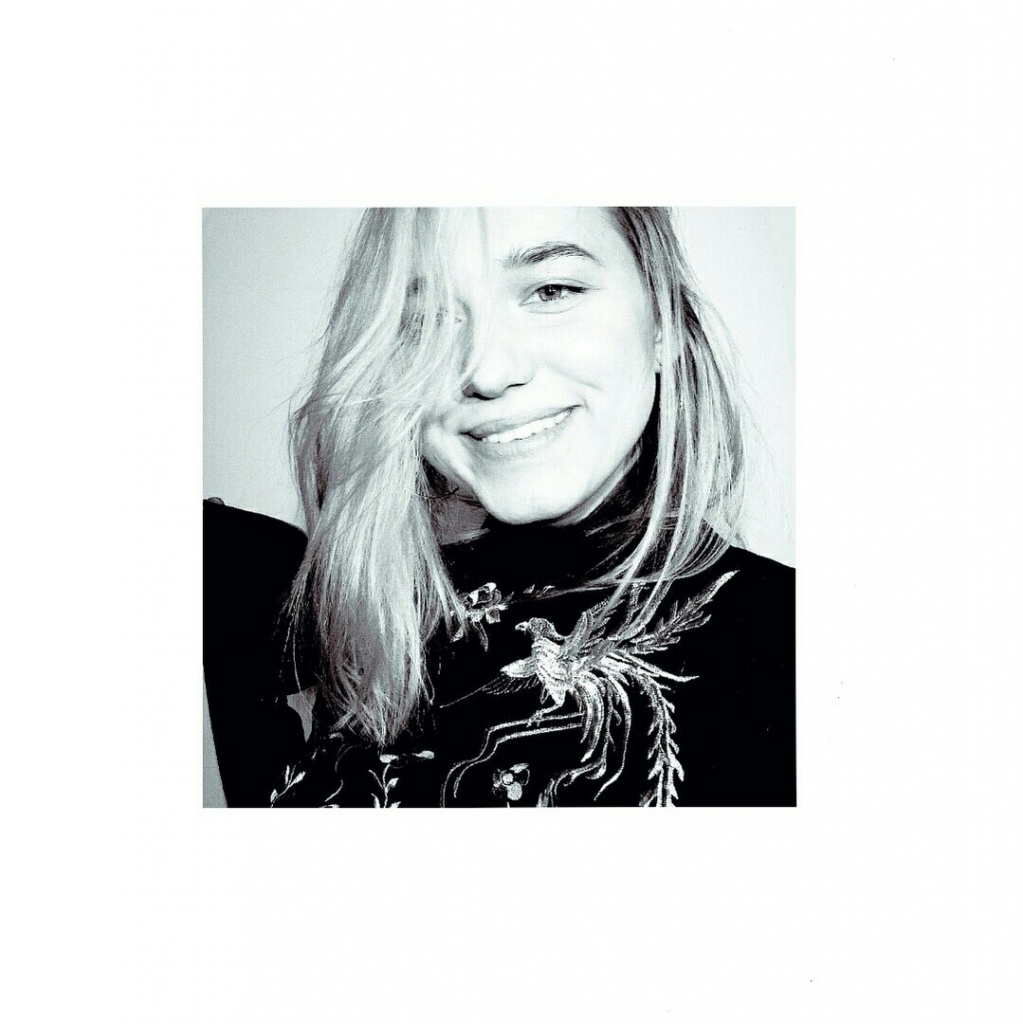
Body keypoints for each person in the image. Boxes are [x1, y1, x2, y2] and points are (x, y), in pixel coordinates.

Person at [204, 207, 795, 807]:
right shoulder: (381, 624)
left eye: (551, 291)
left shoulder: (789, 653)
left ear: (662, 321)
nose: (487, 372)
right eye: (428, 319)